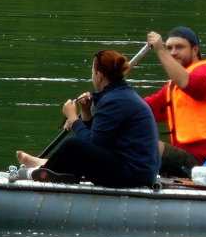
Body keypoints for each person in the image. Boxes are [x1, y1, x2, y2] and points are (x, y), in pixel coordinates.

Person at [15, 49, 160, 187]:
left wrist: (73, 118)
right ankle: (50, 170)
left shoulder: (114, 101)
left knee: (72, 145)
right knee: (75, 146)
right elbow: (101, 139)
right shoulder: (120, 95)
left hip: (133, 173)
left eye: (92, 71)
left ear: (99, 74)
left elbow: (93, 143)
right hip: (137, 170)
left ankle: (41, 172)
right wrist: (85, 111)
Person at [142, 26, 206, 177]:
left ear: (195, 50)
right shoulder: (173, 86)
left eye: (179, 47)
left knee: (143, 145)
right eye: (169, 48)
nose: (173, 52)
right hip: (188, 160)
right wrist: (108, 98)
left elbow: (188, 83)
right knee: (130, 137)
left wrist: (161, 51)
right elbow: (143, 109)